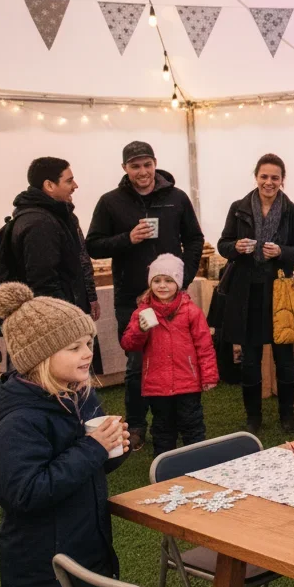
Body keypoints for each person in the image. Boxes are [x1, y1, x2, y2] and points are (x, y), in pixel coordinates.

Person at [0, 282, 129, 587]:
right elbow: (25, 492)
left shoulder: (76, 395)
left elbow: (78, 473)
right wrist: (92, 449)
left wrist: (112, 449)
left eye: (88, 344)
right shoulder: (20, 420)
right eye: (74, 347)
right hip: (43, 572)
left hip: (77, 555)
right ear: (40, 356)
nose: (87, 354)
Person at [86, 141, 204, 451]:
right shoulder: (111, 202)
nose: (142, 171)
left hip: (172, 301)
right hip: (132, 298)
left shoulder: (176, 198)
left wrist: (183, 277)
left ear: (155, 164)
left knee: (174, 358)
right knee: (138, 364)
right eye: (135, 166)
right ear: (125, 168)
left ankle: (178, 423)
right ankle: (137, 425)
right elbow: (93, 245)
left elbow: (194, 239)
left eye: (147, 164)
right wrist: (128, 238)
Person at [216, 154, 294, 434]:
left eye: (275, 177)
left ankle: (287, 415)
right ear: (256, 176)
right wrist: (237, 247)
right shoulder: (238, 208)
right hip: (247, 293)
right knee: (250, 359)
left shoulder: (293, 211)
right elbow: (222, 245)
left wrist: (282, 252)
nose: (269, 182)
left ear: (283, 180)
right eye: (264, 176)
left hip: (280, 291)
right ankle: (253, 418)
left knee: (284, 359)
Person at [9, 158, 103, 372]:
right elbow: (43, 282)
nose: (75, 185)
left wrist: (89, 295)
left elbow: (80, 258)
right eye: (69, 180)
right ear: (49, 185)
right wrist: (66, 324)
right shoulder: (40, 223)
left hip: (67, 314)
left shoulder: (59, 215)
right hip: (56, 326)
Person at [120, 254, 218, 455]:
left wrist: (208, 375)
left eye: (168, 280)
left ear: (178, 284)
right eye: (157, 280)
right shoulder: (142, 313)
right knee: (163, 430)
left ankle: (199, 464)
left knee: (192, 427)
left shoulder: (191, 311)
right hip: (157, 385)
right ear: (150, 283)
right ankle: (165, 469)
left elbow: (204, 346)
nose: (162, 285)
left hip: (187, 384)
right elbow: (129, 344)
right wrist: (140, 329)